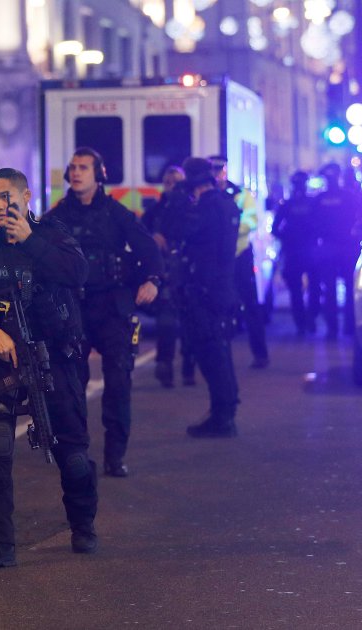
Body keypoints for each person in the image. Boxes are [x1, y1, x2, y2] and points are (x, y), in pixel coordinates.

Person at [0, 167, 99, 568]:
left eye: (6, 197)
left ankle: (83, 526)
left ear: (26, 196)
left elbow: (78, 273)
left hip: (55, 359)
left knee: (73, 452)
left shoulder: (53, 235)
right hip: (3, 361)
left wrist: (31, 241)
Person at [44, 147, 163, 477]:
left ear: (99, 174)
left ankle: (115, 455)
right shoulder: (57, 216)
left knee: (118, 383)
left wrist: (152, 280)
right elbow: (37, 255)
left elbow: (148, 248)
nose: (77, 173)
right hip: (74, 309)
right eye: (73, 168)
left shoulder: (116, 213)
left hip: (112, 307)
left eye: (83, 167)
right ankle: (75, 451)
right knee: (70, 386)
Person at [159, 157, 241, 438]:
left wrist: (176, 200)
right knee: (220, 351)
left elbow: (174, 230)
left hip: (205, 291)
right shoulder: (227, 203)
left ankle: (222, 416)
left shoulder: (205, 209)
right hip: (222, 288)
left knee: (211, 353)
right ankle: (225, 409)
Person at [210, 155, 269, 369]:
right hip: (215, 257)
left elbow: (251, 220)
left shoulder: (241, 194)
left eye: (219, 168)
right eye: (212, 168)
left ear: (226, 169)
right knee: (216, 307)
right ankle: (218, 357)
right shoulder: (206, 195)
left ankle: (260, 354)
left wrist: (227, 228)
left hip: (239, 254)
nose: (216, 172)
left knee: (251, 304)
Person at [141, 166, 194, 388]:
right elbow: (141, 230)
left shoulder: (192, 207)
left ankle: (189, 368)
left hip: (189, 272)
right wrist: (153, 237)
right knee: (167, 320)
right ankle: (165, 366)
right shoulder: (158, 207)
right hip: (167, 271)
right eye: (168, 181)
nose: (172, 185)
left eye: (177, 181)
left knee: (191, 322)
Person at [314, 163, 361, 338]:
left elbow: (314, 224)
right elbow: (358, 219)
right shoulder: (349, 196)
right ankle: (349, 327)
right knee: (349, 288)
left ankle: (333, 328)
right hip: (347, 247)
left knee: (330, 289)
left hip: (328, 247)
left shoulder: (319, 199)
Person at [272, 171, 321, 336]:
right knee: (311, 288)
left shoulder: (288, 204)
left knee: (299, 289)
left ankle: (302, 323)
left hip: (297, 251)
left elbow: (275, 229)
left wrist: (287, 238)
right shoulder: (312, 203)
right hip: (307, 250)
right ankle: (308, 321)